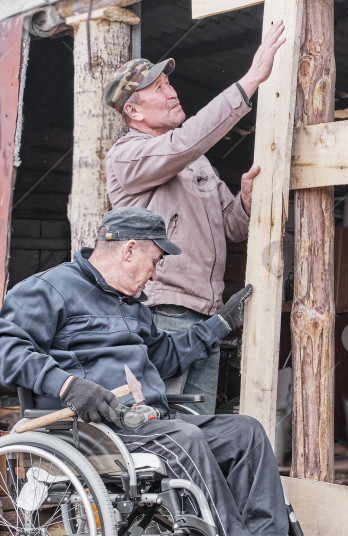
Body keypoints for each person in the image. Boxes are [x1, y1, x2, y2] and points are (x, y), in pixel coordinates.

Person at [0, 207, 331, 536]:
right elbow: (2, 348)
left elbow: (161, 358)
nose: (154, 274)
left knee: (246, 432)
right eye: (155, 261)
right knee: (186, 437)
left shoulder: (131, 304)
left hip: (147, 425)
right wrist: (68, 384)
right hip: (93, 430)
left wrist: (219, 324)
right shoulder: (49, 289)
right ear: (129, 249)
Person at [103, 21, 286, 414]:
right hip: (161, 312)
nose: (171, 92)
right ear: (132, 111)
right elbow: (184, 142)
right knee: (160, 426)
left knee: (196, 429)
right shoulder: (127, 156)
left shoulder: (194, 161)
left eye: (170, 85)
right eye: (158, 90)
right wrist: (252, 78)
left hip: (206, 314)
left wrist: (246, 202)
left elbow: (232, 227)